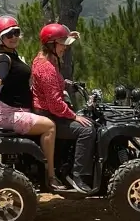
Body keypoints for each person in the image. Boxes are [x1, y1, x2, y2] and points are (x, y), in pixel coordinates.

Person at [0, 15, 65, 191]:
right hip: (8, 113)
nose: (13, 37)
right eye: (8, 35)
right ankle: (51, 176)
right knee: (50, 126)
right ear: (0, 39)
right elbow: (1, 76)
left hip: (15, 110)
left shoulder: (13, 55)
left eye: (16, 32)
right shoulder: (3, 58)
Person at [32, 23, 95, 194]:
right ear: (51, 44)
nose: (65, 48)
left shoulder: (43, 60)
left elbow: (53, 84)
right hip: (50, 115)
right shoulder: (47, 68)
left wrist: (68, 84)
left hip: (48, 113)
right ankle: (79, 175)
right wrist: (74, 116)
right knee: (87, 130)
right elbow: (55, 103)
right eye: (62, 44)